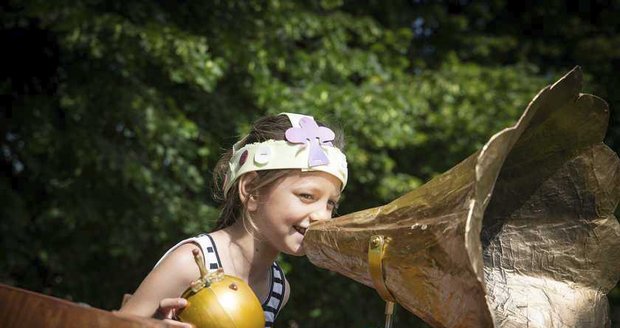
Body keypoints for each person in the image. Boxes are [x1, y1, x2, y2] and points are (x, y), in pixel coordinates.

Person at [118, 113, 348, 327]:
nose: (322, 216)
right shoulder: (190, 263)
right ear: (251, 191)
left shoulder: (278, 288)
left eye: (331, 204)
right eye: (307, 196)